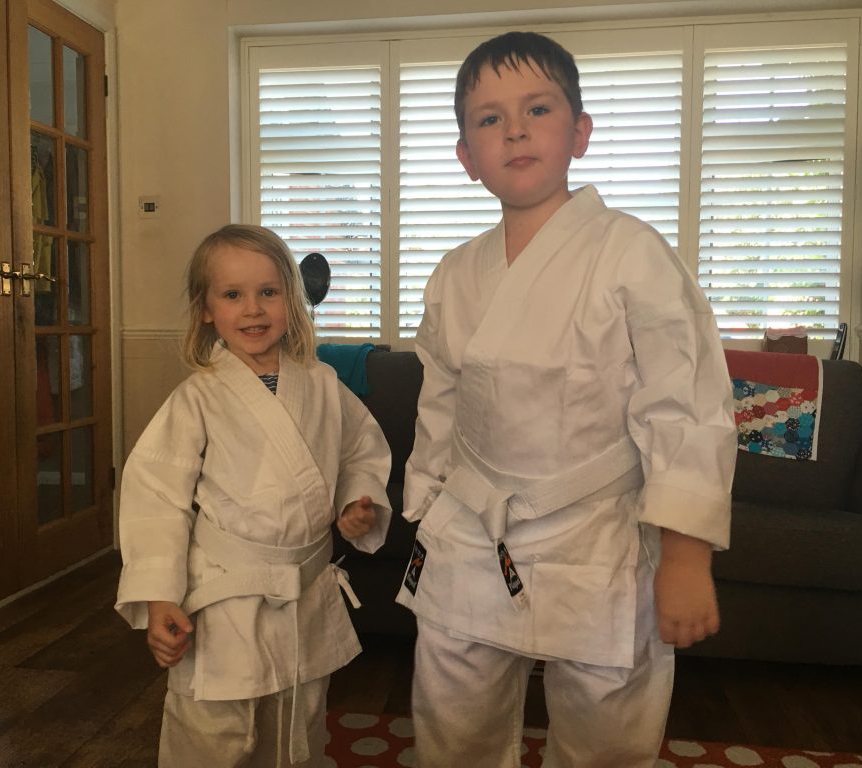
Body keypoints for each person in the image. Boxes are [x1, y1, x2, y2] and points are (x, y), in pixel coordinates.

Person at [397, 31, 737, 768]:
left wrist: (686, 556)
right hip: (472, 529)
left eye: (538, 109)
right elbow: (441, 403)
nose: (515, 130)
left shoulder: (633, 253)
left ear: (580, 132)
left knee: (606, 734)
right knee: (453, 721)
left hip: (594, 531)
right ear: (466, 156)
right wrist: (423, 502)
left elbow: (686, 408)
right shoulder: (455, 273)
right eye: (490, 119)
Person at [115, 224, 392, 768]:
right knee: (212, 731)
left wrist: (354, 501)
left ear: (292, 298)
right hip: (226, 594)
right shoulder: (198, 395)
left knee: (298, 724)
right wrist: (160, 595)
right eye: (232, 295)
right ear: (206, 309)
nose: (253, 309)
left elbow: (360, 449)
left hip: (304, 590)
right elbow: (156, 495)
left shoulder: (322, 383)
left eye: (269, 292)